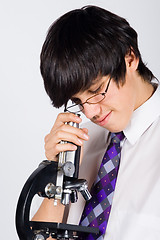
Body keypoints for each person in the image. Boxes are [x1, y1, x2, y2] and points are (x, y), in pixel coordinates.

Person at [32, 5, 160, 240]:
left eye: (97, 90)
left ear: (129, 58)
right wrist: (56, 173)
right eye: (78, 101)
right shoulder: (80, 143)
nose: (90, 112)